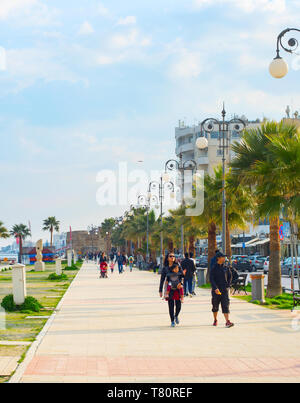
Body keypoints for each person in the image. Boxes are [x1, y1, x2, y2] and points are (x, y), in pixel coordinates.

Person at [209, 251, 234, 328]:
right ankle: (215, 319)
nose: (224, 258)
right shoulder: (213, 268)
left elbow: (230, 276)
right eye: (223, 257)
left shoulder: (226, 267)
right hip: (216, 291)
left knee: (226, 305)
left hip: (224, 290)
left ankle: (227, 321)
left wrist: (228, 285)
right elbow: (211, 279)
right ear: (218, 258)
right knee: (215, 306)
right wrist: (215, 288)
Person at [164, 263, 184, 327]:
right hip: (170, 292)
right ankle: (172, 321)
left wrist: (180, 284)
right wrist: (165, 293)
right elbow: (166, 284)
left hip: (178, 292)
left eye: (178, 268)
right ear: (172, 269)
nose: (177, 269)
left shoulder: (180, 275)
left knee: (179, 306)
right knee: (171, 307)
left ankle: (176, 315)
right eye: (176, 268)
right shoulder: (169, 275)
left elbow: (182, 281)